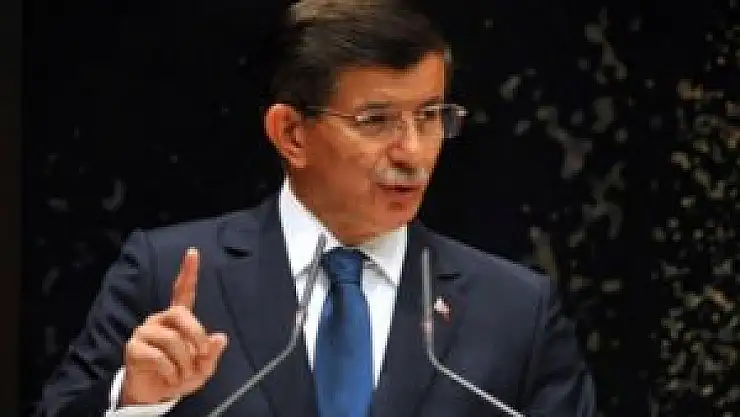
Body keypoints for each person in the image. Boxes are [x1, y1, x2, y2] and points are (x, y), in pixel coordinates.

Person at [34, 0, 596, 416]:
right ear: (291, 134)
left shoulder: (514, 311)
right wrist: (135, 403)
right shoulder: (165, 275)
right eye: (377, 121)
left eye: (430, 117)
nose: (413, 152)